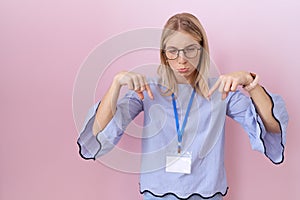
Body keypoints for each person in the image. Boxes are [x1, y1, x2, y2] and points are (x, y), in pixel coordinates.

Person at [77, 13, 288, 200]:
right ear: (164, 54)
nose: (182, 60)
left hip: (206, 193)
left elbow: (272, 127)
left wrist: (249, 82)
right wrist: (116, 83)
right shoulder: (147, 90)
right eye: (173, 51)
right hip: (157, 193)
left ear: (202, 50)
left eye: (190, 50)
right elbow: (98, 130)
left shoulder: (221, 91)